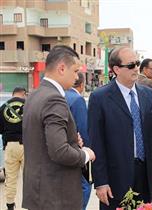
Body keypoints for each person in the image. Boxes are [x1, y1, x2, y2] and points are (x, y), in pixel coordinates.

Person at [88, 47, 152, 210]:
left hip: (144, 175)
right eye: (131, 65)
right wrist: (101, 182)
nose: (136, 68)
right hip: (115, 179)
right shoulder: (100, 97)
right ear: (116, 69)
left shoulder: (148, 94)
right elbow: (97, 142)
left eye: (137, 63)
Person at [22, 45, 95, 210]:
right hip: (57, 196)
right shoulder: (54, 99)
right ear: (62, 68)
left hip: (39, 192)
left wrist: (71, 140)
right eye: (75, 71)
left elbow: (39, 139)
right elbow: (59, 151)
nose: (77, 77)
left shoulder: (34, 94)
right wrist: (85, 154)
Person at [65, 72, 92, 210]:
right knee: (85, 186)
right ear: (82, 85)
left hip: (61, 150)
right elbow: (83, 128)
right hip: (77, 151)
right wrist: (87, 152)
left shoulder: (60, 95)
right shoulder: (77, 100)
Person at [0, 87, 26, 210]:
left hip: (10, 146)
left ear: (12, 94)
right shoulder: (28, 105)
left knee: (10, 178)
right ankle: (29, 205)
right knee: (29, 177)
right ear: (24, 94)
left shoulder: (3, 107)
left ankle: (10, 205)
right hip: (26, 146)